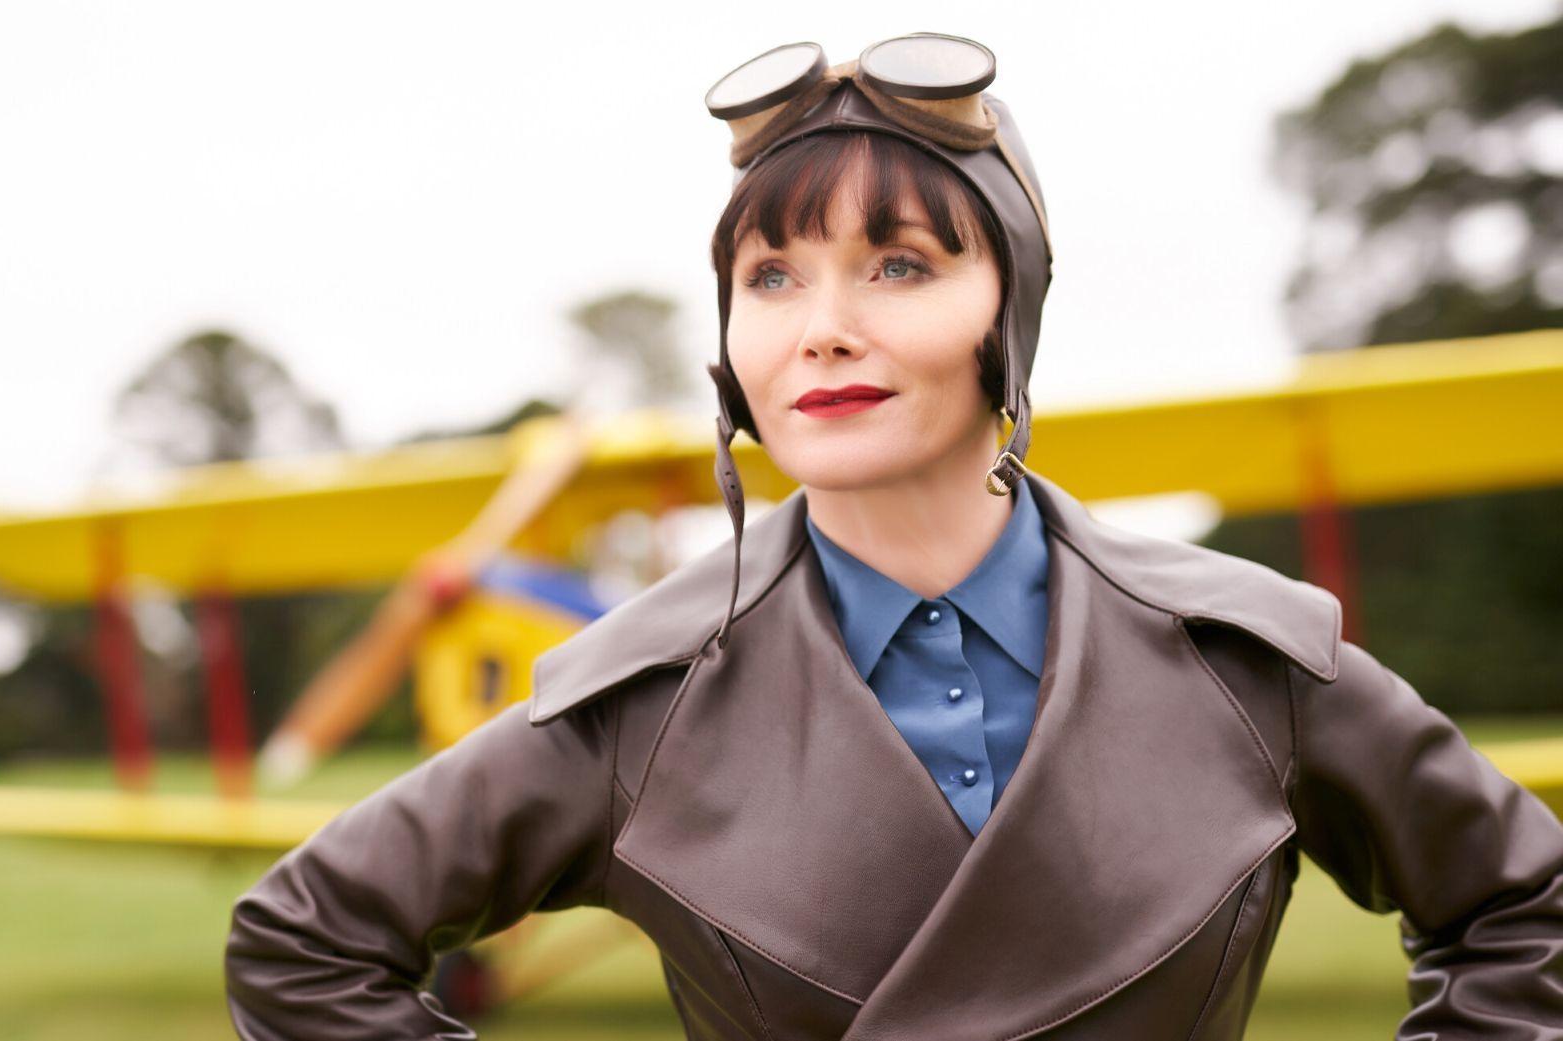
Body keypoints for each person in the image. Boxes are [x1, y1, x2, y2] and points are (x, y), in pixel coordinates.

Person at [224, 34, 1563, 1040]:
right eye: (771, 276)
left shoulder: (1250, 655)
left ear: (1013, 308)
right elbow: (306, 941)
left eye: (902, 263)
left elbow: (1522, 906)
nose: (822, 325)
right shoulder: (631, 700)